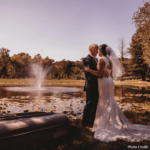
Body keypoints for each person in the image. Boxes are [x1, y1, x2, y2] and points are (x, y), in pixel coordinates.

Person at [84, 44, 150, 142]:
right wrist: (104, 73)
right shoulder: (109, 60)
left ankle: (103, 123)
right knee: (109, 100)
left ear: (100, 51)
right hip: (110, 81)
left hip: (103, 83)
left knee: (104, 100)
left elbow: (98, 73)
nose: (97, 51)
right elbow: (109, 73)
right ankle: (109, 122)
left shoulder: (101, 60)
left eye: (98, 50)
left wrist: (89, 70)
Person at [82, 44, 109, 130]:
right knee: (89, 105)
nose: (97, 51)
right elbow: (89, 74)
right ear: (90, 49)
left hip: (98, 86)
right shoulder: (86, 60)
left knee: (95, 105)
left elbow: (98, 70)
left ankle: (91, 124)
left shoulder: (96, 59)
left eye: (97, 49)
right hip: (91, 85)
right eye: (95, 49)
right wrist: (102, 75)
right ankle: (85, 124)